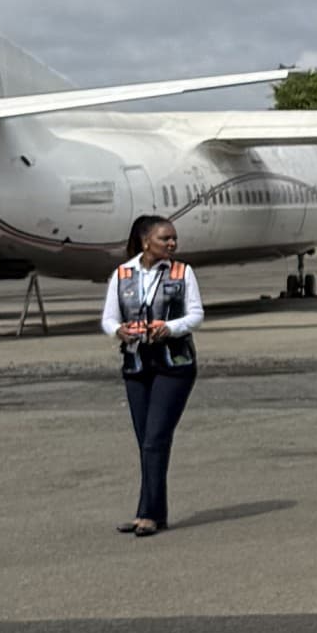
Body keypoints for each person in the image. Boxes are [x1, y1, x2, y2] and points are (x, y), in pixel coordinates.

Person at [102, 211, 202, 536]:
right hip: (137, 363)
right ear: (146, 241)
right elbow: (108, 318)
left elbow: (196, 315)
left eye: (174, 238)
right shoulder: (122, 274)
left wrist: (169, 328)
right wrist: (119, 331)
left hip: (174, 364)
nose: (172, 243)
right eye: (165, 238)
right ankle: (153, 512)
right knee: (146, 441)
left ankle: (148, 514)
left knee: (156, 438)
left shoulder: (182, 272)